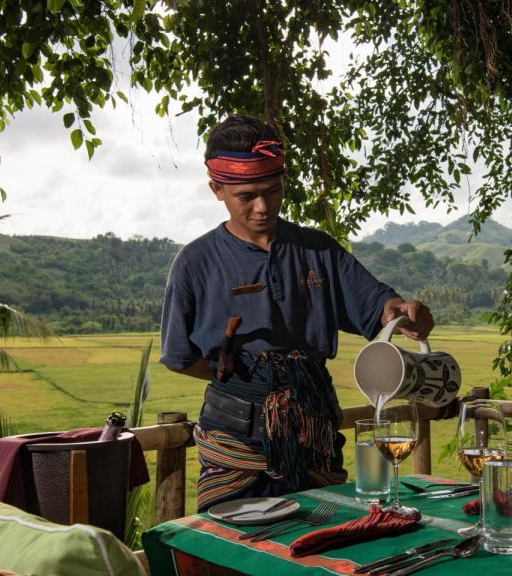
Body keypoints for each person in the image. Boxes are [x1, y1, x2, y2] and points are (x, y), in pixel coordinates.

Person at [160, 114, 434, 511]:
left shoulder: (318, 251)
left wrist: (405, 313)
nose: (262, 206)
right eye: (246, 196)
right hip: (234, 444)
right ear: (216, 188)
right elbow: (179, 357)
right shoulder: (195, 262)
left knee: (316, 552)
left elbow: (379, 306)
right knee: (231, 555)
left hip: (314, 438)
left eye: (273, 191)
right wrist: (248, 381)